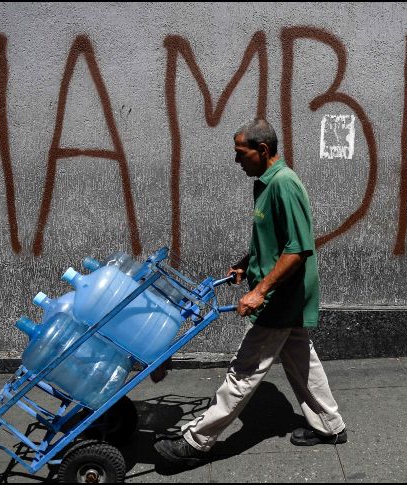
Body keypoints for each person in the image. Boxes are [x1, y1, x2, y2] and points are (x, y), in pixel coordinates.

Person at [154, 118, 347, 467]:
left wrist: (259, 291)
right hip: (283, 296)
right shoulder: (266, 183)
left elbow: (297, 249)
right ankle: (330, 426)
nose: (236, 160)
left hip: (279, 298)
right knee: (301, 360)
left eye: (240, 153)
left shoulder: (284, 184)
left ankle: (197, 441)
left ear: (262, 150)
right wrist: (246, 262)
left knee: (244, 370)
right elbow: (273, 239)